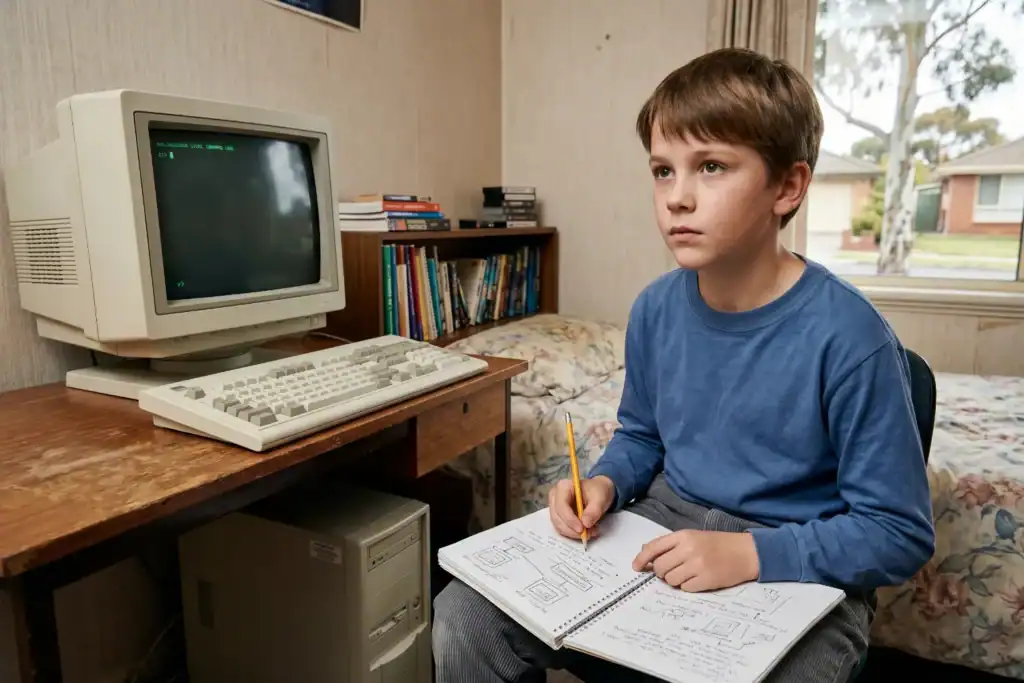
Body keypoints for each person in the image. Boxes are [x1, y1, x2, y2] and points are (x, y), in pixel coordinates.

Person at [432, 46, 936, 683]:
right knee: (462, 620)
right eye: (663, 171)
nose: (678, 198)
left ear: (788, 186)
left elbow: (898, 533)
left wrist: (752, 553)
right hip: (662, 526)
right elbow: (642, 435)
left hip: (795, 555)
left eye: (712, 167)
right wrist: (607, 483)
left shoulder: (851, 338)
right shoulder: (654, 309)